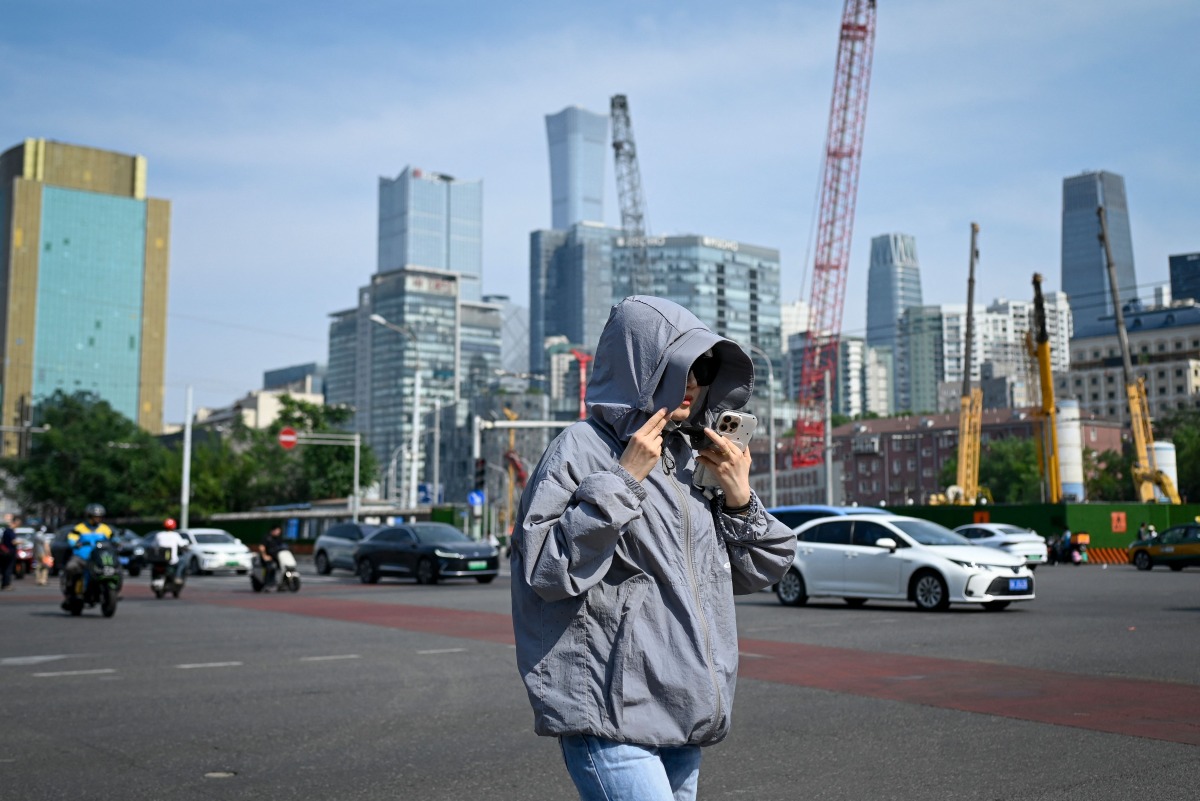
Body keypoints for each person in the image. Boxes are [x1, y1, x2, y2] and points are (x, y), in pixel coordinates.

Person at [510, 296, 797, 801]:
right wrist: (624, 480)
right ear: (641, 368)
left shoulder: (693, 456)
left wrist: (738, 495)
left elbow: (759, 572)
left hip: (684, 714)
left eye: (705, 367)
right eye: (680, 365)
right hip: (610, 712)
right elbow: (544, 571)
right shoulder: (580, 447)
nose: (694, 381)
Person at [63, 503, 115, 608]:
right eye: (95, 516)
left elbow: (113, 538)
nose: (97, 519)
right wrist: (74, 543)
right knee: (71, 567)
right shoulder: (80, 528)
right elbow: (71, 538)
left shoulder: (105, 529)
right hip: (82, 557)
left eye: (99, 517)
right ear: (89, 516)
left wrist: (117, 542)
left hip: (98, 557)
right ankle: (70, 590)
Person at [0, 515, 18, 591]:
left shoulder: (5, 531)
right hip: (9, 552)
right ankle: (6, 584)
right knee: (8, 568)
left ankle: (4, 584)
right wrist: (20, 542)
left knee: (4, 568)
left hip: (4, 552)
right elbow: (13, 542)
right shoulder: (10, 531)